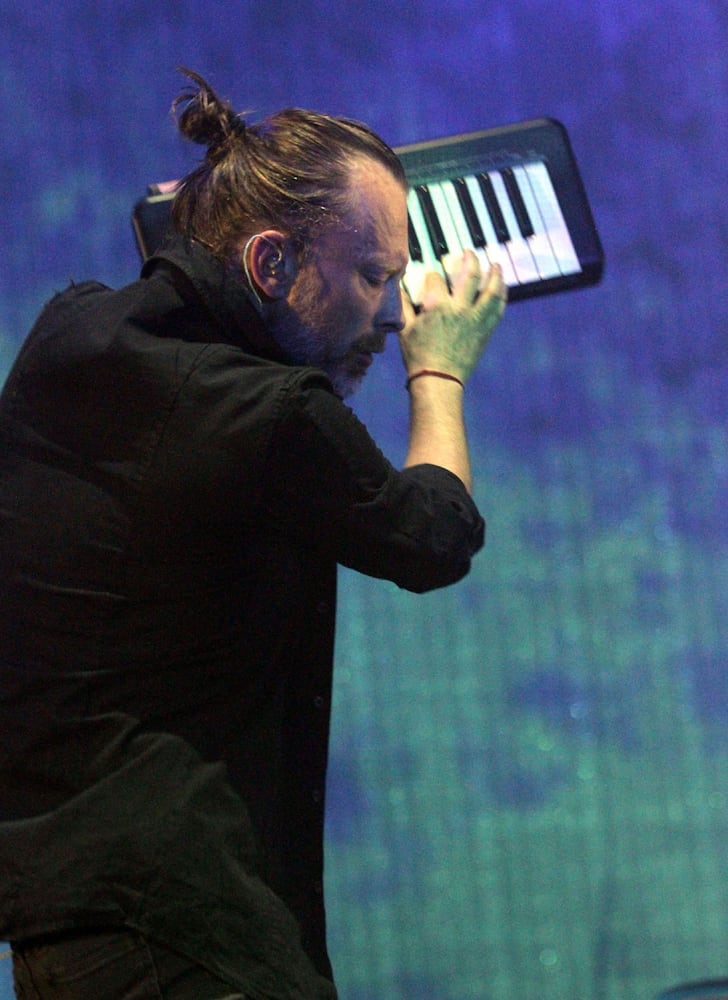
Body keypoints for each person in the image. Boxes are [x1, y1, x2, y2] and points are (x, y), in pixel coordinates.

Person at [0, 69, 506, 999]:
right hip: (184, 923)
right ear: (270, 264)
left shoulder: (69, 333)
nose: (388, 311)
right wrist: (437, 373)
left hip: (66, 924)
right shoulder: (269, 414)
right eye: (373, 276)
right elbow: (433, 537)